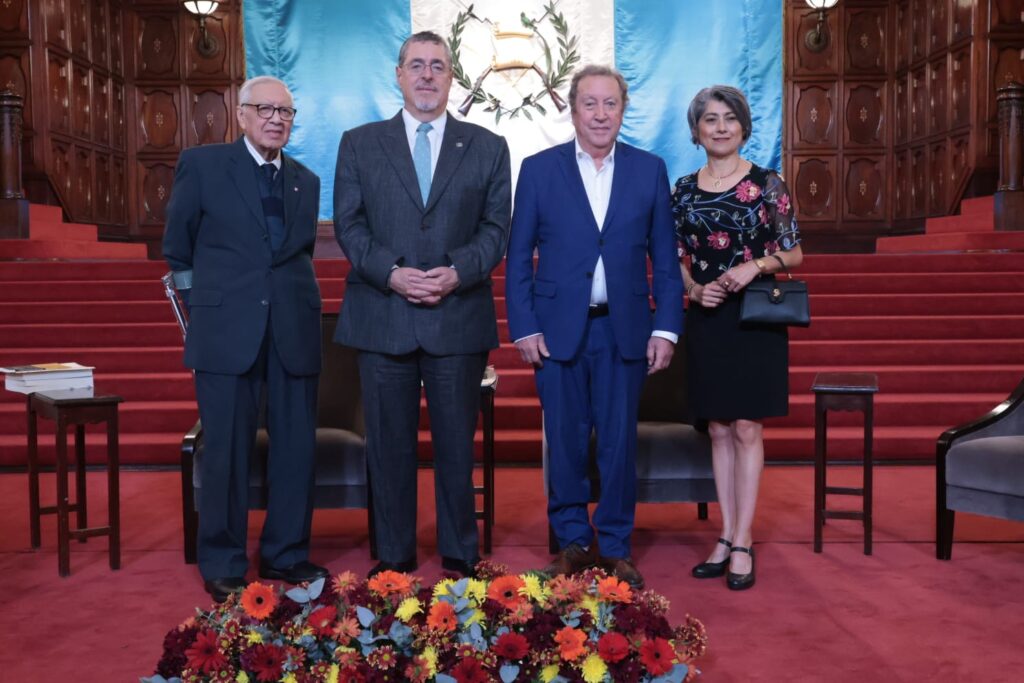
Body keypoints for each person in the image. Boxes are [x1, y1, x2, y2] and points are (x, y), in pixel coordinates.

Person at [332, 31, 511, 578]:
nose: (427, 75)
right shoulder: (359, 142)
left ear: (451, 76)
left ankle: (460, 553)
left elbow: (496, 227)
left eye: (438, 65)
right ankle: (394, 557)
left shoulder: (487, 146)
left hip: (457, 318)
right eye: (417, 65)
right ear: (399, 74)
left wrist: (457, 272)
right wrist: (391, 273)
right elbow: (349, 224)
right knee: (388, 449)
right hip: (383, 317)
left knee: (457, 447)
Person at [505, 65, 683, 590]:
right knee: (564, 442)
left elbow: (666, 261)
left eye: (611, 104)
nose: (601, 114)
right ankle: (572, 543)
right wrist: (524, 328)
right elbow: (518, 259)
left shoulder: (649, 170)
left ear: (623, 109)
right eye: (590, 103)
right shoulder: (539, 170)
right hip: (557, 332)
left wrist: (666, 328)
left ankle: (615, 545)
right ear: (573, 108)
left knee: (618, 444)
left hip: (624, 329)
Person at [163, 76, 329, 602]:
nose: (276, 118)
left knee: (296, 449)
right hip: (225, 331)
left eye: (286, 111)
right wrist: (206, 309)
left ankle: (286, 554)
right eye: (265, 109)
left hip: (293, 330)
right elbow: (178, 247)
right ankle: (224, 559)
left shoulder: (306, 179)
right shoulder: (204, 165)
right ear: (241, 114)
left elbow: (294, 255)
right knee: (227, 450)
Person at [671, 85, 803, 591]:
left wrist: (755, 265)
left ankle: (743, 539)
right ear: (697, 130)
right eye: (710, 119)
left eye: (729, 118)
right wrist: (693, 288)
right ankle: (724, 536)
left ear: (744, 126)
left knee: (748, 427)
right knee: (720, 429)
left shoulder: (769, 184)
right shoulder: (682, 190)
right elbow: (673, 257)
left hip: (754, 318)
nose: (720, 126)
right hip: (707, 318)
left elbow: (794, 254)